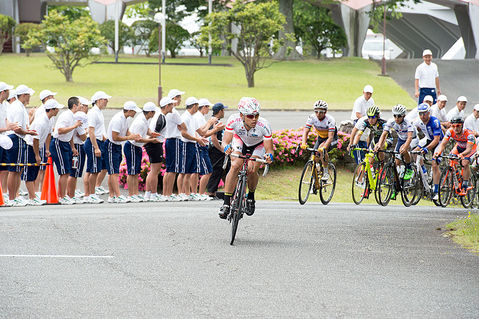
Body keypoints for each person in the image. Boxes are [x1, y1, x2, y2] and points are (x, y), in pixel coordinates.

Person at [219, 97, 273, 219]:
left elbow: (269, 149)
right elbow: (225, 141)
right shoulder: (234, 119)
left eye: (256, 115)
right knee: (235, 165)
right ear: (242, 115)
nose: (254, 119)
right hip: (240, 140)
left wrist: (269, 156)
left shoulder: (264, 125)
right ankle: (226, 203)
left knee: (252, 168)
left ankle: (251, 197)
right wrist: (227, 147)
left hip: (257, 145)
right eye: (250, 116)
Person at [375, 104, 418, 198]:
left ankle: (409, 168)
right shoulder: (391, 122)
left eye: (399, 116)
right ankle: (396, 185)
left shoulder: (408, 122)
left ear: (404, 116)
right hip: (401, 139)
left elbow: (410, 137)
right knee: (396, 162)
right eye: (395, 115)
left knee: (403, 150)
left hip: (412, 139)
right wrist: (379, 145)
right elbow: (384, 134)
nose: (396, 118)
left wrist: (405, 147)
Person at [24, 99, 62, 205]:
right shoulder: (40, 121)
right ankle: (32, 197)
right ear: (52, 110)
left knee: (36, 171)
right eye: (56, 109)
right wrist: (37, 155)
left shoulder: (49, 120)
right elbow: (35, 139)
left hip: (38, 147)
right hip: (30, 146)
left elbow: (49, 134)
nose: (58, 110)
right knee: (30, 172)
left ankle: (34, 196)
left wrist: (47, 149)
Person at [6, 85, 38, 206]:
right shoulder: (18, 108)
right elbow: (17, 129)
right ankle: (11, 198)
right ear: (24, 95)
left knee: (18, 170)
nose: (29, 98)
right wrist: (28, 132)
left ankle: (15, 196)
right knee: (14, 170)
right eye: (28, 95)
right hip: (16, 139)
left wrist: (27, 129)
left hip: (18, 138)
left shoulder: (19, 106)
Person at [105, 101, 142, 203]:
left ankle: (112, 195)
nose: (135, 113)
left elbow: (126, 131)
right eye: (134, 111)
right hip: (111, 146)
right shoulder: (118, 119)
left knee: (113, 171)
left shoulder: (124, 118)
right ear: (129, 111)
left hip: (116, 146)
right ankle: (117, 195)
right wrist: (129, 137)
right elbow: (115, 137)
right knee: (114, 172)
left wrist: (133, 136)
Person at [124, 102, 160, 202]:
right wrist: (151, 140)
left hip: (137, 147)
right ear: (150, 112)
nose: (154, 114)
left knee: (136, 171)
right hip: (132, 146)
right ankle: (131, 194)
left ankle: (135, 193)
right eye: (153, 112)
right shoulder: (140, 122)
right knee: (132, 172)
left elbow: (147, 130)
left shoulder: (145, 119)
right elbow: (138, 139)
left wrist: (151, 133)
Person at [50, 97, 82, 205]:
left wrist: (73, 147)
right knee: (63, 172)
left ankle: (64, 195)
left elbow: (70, 134)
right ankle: (61, 196)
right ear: (74, 106)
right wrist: (75, 126)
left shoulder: (72, 116)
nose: (81, 106)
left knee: (67, 171)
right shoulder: (66, 116)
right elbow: (60, 130)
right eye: (80, 104)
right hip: (58, 143)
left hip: (66, 143)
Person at [144, 97, 176, 202]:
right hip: (155, 145)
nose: (173, 106)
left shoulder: (158, 115)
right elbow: (155, 134)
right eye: (171, 105)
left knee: (152, 171)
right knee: (155, 171)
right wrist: (148, 142)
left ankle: (148, 193)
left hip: (152, 144)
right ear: (167, 106)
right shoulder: (161, 118)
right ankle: (153, 194)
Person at [434, 116, 476, 195]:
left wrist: (461, 155)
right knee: (451, 158)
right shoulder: (450, 131)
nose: (455, 128)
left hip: (470, 148)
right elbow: (443, 144)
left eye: (458, 126)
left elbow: (469, 149)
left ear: (462, 126)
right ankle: (457, 178)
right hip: (459, 147)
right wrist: (438, 153)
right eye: (453, 126)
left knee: (465, 162)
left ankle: (465, 184)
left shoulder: (469, 134)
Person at [177, 97, 209, 201]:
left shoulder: (192, 117)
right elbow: (184, 133)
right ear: (194, 106)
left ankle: (188, 193)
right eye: (197, 106)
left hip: (192, 144)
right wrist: (197, 139)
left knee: (190, 170)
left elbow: (199, 131)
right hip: (186, 144)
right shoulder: (185, 117)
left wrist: (200, 138)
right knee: (184, 170)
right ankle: (182, 193)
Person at [193, 98, 225, 200]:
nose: (208, 109)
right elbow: (208, 135)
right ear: (203, 107)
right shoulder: (202, 118)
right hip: (204, 146)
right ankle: (203, 193)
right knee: (208, 171)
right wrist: (221, 149)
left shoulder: (203, 118)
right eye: (207, 107)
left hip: (204, 145)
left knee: (205, 171)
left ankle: (200, 193)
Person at [412, 103, 443, 200]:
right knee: (414, 152)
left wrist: (427, 149)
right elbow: (411, 128)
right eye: (420, 114)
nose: (422, 116)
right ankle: (424, 172)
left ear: (429, 113)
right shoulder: (418, 121)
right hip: (428, 139)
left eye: (424, 114)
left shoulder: (435, 122)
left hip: (438, 142)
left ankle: (436, 190)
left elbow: (436, 140)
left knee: (434, 164)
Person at [300, 100, 337, 181]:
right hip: (321, 138)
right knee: (313, 158)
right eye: (316, 111)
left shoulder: (330, 120)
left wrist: (324, 148)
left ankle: (326, 171)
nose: (318, 114)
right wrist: (303, 143)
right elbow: (306, 131)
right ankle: (315, 180)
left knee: (321, 150)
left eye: (321, 112)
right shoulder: (312, 117)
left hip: (331, 138)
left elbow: (330, 137)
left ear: (325, 112)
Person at [162, 89, 189, 201]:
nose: (180, 99)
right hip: (174, 140)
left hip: (169, 139)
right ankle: (168, 194)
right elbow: (184, 127)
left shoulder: (170, 112)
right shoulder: (174, 112)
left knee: (169, 169)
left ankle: (166, 193)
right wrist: (181, 126)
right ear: (173, 98)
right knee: (172, 169)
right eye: (178, 97)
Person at [84, 91, 109, 204]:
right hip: (93, 142)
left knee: (91, 170)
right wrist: (96, 147)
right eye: (105, 99)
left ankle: (88, 194)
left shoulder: (99, 112)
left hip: (98, 141)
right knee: (94, 170)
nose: (107, 101)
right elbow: (91, 131)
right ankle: (91, 194)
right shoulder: (94, 113)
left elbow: (99, 131)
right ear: (98, 100)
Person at [66, 101, 88, 204]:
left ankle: (70, 194)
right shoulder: (78, 124)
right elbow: (83, 137)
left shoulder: (74, 121)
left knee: (73, 172)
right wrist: (87, 131)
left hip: (75, 145)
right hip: (77, 147)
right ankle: (71, 195)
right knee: (74, 172)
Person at [0, 82, 20, 193]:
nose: (9, 93)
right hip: (2, 137)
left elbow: (6, 120)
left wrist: (10, 125)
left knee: (5, 168)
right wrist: (7, 128)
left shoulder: (4, 105)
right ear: (3, 92)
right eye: (8, 91)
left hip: (3, 139)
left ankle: (3, 194)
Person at [206, 103, 228, 198]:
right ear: (220, 111)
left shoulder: (216, 120)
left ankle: (213, 192)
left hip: (217, 149)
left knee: (218, 170)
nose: (224, 112)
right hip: (215, 150)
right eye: (223, 110)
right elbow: (213, 138)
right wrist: (221, 149)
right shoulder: (215, 121)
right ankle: (211, 192)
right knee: (215, 170)